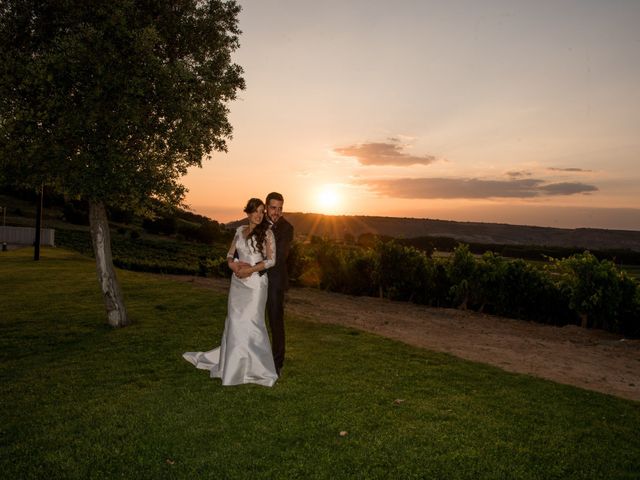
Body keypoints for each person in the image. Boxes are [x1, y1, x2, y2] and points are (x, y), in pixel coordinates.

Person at [183, 198, 278, 387]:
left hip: (256, 284)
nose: (259, 215)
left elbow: (270, 261)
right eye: (255, 211)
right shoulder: (239, 231)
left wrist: (249, 270)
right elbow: (229, 254)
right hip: (237, 283)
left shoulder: (267, 233)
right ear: (248, 212)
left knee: (252, 323)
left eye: (261, 212)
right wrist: (234, 266)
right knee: (235, 321)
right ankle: (233, 364)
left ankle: (257, 368)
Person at [264, 192, 294, 376]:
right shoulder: (257, 223)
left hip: (275, 282)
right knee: (254, 320)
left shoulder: (287, 228)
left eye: (280, 208)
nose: (276, 212)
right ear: (266, 206)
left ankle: (277, 363)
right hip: (254, 284)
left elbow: (279, 257)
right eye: (273, 208)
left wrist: (252, 268)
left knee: (276, 322)